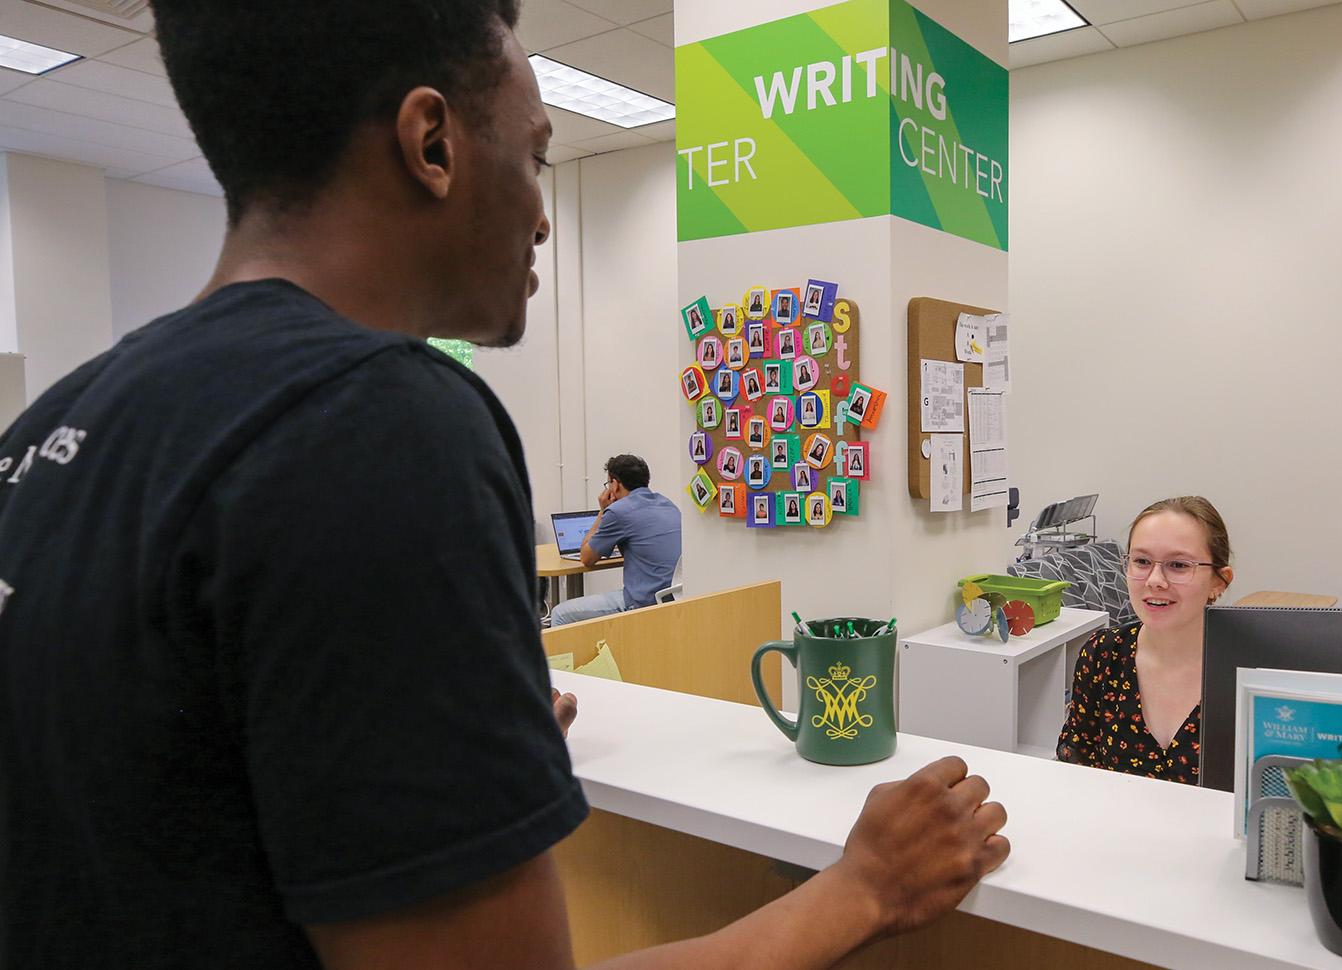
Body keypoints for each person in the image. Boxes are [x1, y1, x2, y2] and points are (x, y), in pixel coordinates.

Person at [0, 4, 1009, 969]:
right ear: (431, 142)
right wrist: (863, 888)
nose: (540, 218)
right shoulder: (380, 422)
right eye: (534, 157)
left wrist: (466, 757)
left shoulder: (54, 428)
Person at [1056, 496, 1234, 784]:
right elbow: (1075, 762)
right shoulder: (1102, 654)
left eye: (1178, 565)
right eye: (1141, 561)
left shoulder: (1249, 671)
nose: (1155, 580)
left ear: (1219, 581)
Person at [553, 455, 681, 625]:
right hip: (676, 597)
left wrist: (603, 510)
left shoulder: (618, 511)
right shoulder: (667, 504)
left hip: (644, 602)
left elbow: (586, 558)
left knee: (559, 614)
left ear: (614, 484)